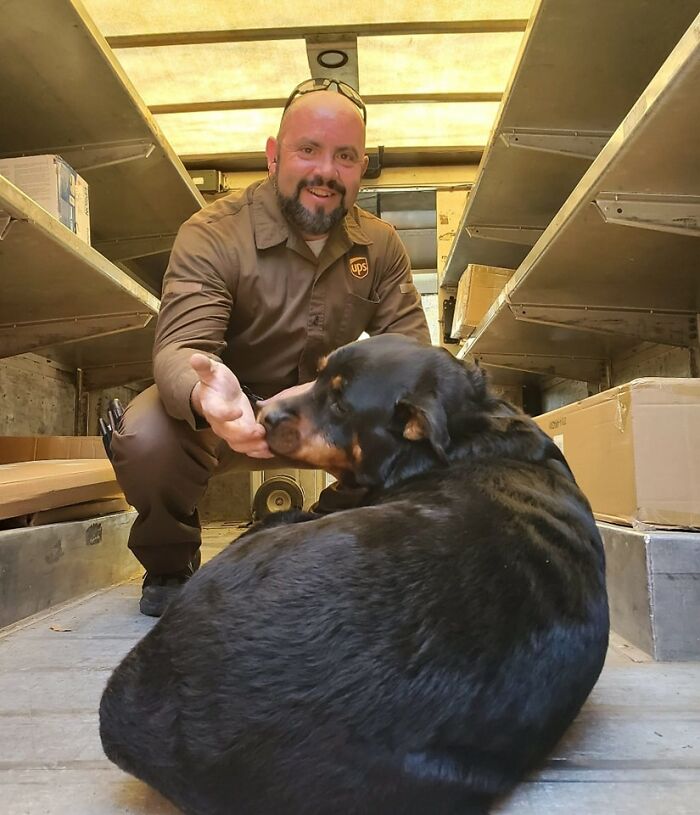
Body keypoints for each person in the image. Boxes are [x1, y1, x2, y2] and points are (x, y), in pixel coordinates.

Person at [111, 77, 431, 616]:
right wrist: (209, 397)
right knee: (145, 436)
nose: (325, 172)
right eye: (308, 150)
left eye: (345, 157)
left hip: (314, 419)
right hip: (226, 416)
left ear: (362, 166)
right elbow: (178, 350)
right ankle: (169, 564)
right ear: (273, 156)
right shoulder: (211, 232)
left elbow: (414, 360)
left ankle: (321, 531)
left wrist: (342, 394)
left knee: (418, 420)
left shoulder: (380, 245)